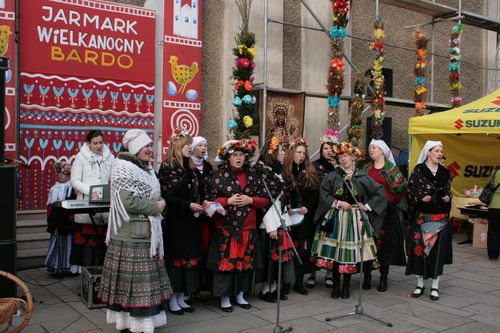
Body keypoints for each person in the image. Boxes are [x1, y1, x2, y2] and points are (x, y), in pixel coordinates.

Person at [99, 129, 172, 333]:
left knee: (142, 286)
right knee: (132, 285)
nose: (150, 150)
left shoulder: (145, 168)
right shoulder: (123, 167)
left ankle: (142, 323)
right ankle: (131, 324)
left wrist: (159, 203)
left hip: (146, 233)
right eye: (146, 146)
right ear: (134, 148)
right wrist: (155, 207)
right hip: (131, 235)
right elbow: (127, 200)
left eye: (150, 145)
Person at [311, 141, 387, 299]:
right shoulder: (334, 175)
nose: (342, 159)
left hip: (354, 219)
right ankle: (336, 284)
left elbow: (380, 192)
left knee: (349, 254)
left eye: (345, 156)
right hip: (336, 217)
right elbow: (323, 193)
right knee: (336, 252)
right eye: (340, 157)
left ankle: (346, 285)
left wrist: (365, 206)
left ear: (353, 157)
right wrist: (338, 203)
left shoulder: (361, 176)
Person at [206, 139, 268, 312]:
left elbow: (264, 199)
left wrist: (251, 200)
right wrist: (228, 201)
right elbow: (209, 201)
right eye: (235, 155)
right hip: (226, 227)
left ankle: (240, 294)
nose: (239, 158)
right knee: (226, 263)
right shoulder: (218, 176)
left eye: (241, 155)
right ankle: (225, 297)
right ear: (228, 158)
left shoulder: (253, 176)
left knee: (245, 263)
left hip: (248, 226)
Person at [158, 129, 204, 315]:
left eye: (190, 144)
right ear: (177, 146)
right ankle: (172, 298)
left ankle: (181, 296)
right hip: (176, 221)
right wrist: (188, 205)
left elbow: (195, 190)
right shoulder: (168, 167)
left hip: (190, 220)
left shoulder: (189, 167)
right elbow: (168, 196)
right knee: (176, 260)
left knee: (187, 260)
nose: (190, 147)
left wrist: (203, 202)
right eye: (187, 144)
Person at [405, 140, 452, 301]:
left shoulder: (445, 173)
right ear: (428, 152)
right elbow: (410, 191)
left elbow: (448, 192)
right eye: (437, 150)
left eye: (441, 151)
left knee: (437, 252)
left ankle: (435, 286)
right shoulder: (419, 171)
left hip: (440, 217)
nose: (440, 154)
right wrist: (420, 197)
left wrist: (448, 197)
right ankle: (419, 284)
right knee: (420, 250)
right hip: (423, 216)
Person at [360, 139, 407, 292]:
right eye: (370, 148)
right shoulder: (366, 169)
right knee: (367, 244)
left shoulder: (392, 170)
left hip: (386, 213)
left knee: (384, 246)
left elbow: (401, 189)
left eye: (374, 148)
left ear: (382, 151)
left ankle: (383, 277)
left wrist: (390, 203)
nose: (371, 150)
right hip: (369, 212)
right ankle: (366, 276)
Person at [254, 138, 294, 303]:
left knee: (278, 258)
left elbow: (281, 197)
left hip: (280, 220)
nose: (284, 153)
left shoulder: (277, 171)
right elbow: (265, 201)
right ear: (272, 153)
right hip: (268, 222)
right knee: (268, 258)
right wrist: (270, 227)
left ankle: (274, 287)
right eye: (281, 151)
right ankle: (265, 289)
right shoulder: (261, 171)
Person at [70, 130, 114, 272]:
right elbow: (75, 181)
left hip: (105, 206)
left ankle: (102, 275)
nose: (98, 146)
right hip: (88, 205)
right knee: (88, 245)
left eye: (101, 142)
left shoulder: (110, 158)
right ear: (88, 144)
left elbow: (114, 178)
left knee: (103, 243)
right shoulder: (80, 157)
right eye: (95, 143)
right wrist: (92, 191)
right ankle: (86, 276)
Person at [282, 137, 320, 296]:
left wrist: (307, 207)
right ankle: (285, 283)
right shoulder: (285, 172)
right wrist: (288, 206)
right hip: (288, 217)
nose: (301, 156)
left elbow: (315, 195)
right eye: (298, 152)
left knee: (302, 250)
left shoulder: (310, 172)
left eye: (303, 153)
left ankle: (298, 281)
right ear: (292, 153)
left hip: (304, 218)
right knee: (286, 250)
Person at [307, 134, 338, 289]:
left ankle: (329, 273)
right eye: (325, 148)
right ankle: (312, 273)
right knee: (315, 241)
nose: (328, 151)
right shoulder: (314, 165)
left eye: (331, 148)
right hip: (318, 208)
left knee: (330, 242)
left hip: (334, 209)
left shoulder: (339, 166)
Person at [190, 136, 214, 293]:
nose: (203, 148)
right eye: (200, 145)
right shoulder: (188, 165)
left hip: (206, 212)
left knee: (206, 246)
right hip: (192, 212)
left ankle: (204, 284)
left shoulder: (208, 167)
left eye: (205, 145)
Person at [45, 161, 77, 276]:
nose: (60, 175)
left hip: (67, 221)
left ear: (69, 175)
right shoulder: (55, 187)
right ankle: (56, 267)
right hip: (57, 221)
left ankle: (68, 268)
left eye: (62, 174)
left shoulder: (72, 188)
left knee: (68, 244)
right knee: (57, 244)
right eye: (59, 173)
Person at [487, 168, 500, 260]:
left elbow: (489, 184)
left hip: (493, 205)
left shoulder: (495, 171)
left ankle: (492, 254)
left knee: (493, 231)